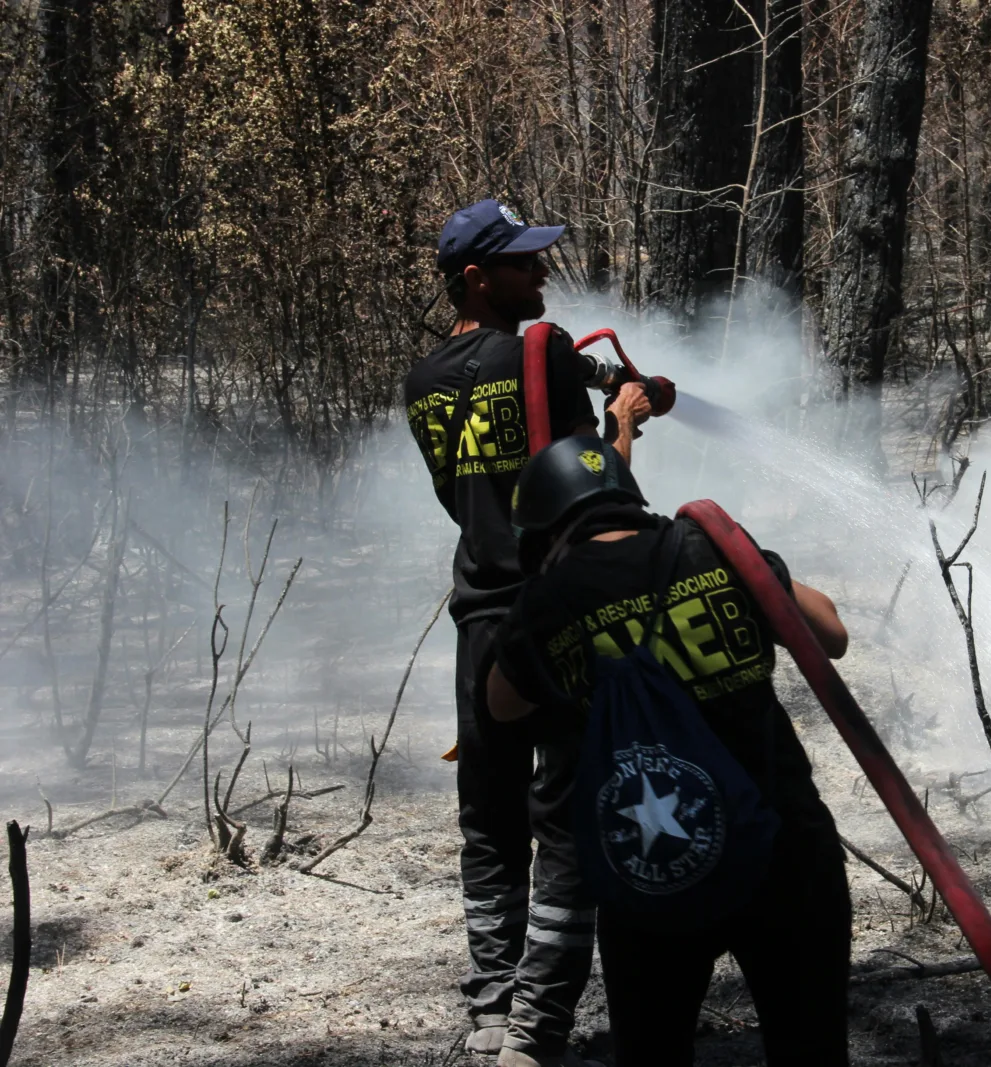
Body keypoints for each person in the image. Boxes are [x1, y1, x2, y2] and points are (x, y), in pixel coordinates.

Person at [485, 435, 854, 1067]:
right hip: (787, 852)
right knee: (810, 1048)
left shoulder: (547, 603)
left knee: (653, 1051)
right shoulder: (712, 548)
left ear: (541, 532)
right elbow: (831, 633)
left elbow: (501, 705)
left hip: (654, 870)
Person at [403, 199, 653, 1063]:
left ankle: (490, 1007)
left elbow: (462, 495)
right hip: (556, 616)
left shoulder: (422, 380)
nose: (542, 273)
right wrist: (624, 418)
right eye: (523, 263)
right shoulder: (542, 354)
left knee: (489, 815)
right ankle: (538, 1027)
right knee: (567, 817)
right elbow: (596, 489)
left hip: (479, 619)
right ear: (476, 276)